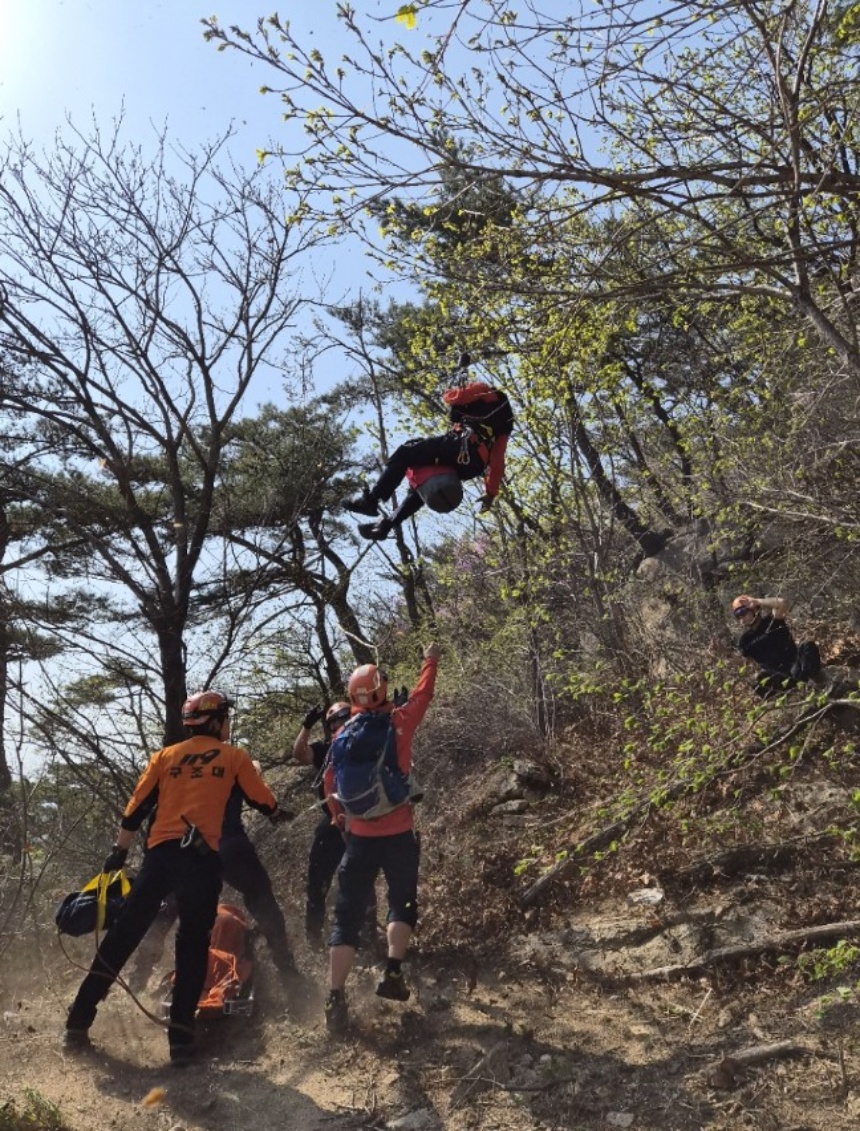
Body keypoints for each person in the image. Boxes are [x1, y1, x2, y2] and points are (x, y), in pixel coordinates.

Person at [63, 690, 292, 1066]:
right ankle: (181, 1041)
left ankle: (78, 1020)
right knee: (192, 945)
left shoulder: (165, 757)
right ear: (216, 721)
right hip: (201, 862)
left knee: (123, 936)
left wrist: (118, 855)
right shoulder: (234, 757)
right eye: (226, 718)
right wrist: (278, 813)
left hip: (160, 858)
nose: (229, 724)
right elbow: (262, 800)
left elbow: (134, 811)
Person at [322, 643, 440, 1034]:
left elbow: (329, 783)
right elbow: (424, 695)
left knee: (347, 916)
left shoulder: (343, 735)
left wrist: (340, 819)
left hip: (358, 839)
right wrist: (430, 659)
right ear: (381, 690)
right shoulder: (399, 722)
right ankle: (392, 971)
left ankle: (335, 997)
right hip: (399, 833)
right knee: (401, 902)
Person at [128, 766, 298, 991]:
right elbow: (262, 797)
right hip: (229, 846)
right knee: (260, 897)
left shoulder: (178, 769)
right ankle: (287, 971)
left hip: (186, 849)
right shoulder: (232, 762)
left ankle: (140, 974)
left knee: (168, 908)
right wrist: (277, 815)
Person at [343, 379, 514, 541]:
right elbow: (498, 459)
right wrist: (491, 492)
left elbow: (453, 397)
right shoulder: (505, 421)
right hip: (473, 465)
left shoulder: (483, 389)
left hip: (462, 447)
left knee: (406, 452)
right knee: (423, 483)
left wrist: (450, 391)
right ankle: (386, 525)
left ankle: (371, 500)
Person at [292, 701, 379, 950]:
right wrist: (306, 726)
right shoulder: (326, 748)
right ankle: (314, 939)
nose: (340, 724)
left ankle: (368, 940)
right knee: (318, 880)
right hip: (331, 822)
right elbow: (299, 753)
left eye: (344, 718)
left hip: (361, 820)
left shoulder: (364, 743)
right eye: (334, 721)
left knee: (363, 881)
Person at [731, 594, 819, 699]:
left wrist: (758, 601)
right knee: (758, 680)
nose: (742, 619)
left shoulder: (772, 621)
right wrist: (723, 652)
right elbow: (742, 660)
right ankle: (787, 699)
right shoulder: (745, 640)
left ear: (754, 610)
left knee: (808, 647)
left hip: (796, 667)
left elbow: (782, 603)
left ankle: (815, 684)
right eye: (738, 616)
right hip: (777, 678)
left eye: (743, 613)